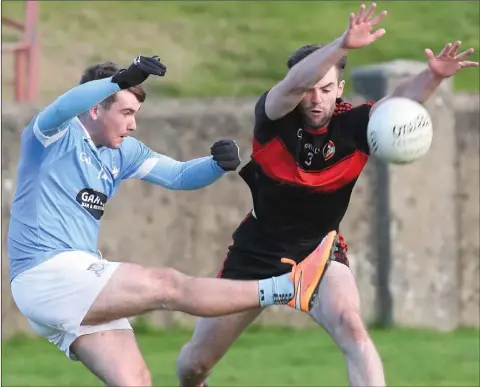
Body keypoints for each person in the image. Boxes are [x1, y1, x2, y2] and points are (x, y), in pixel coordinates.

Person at [175, 3, 479, 387]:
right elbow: (293, 85)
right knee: (193, 366)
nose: (316, 99)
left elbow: (400, 102)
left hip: (319, 253)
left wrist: (432, 76)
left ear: (339, 88)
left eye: (326, 89)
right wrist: (342, 44)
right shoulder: (274, 117)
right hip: (255, 254)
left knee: (354, 330)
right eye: (309, 89)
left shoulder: (356, 126)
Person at [7, 55, 336, 386]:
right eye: (126, 113)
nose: (133, 124)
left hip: (72, 285)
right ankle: (287, 287)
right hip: (47, 273)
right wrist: (120, 79)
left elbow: (178, 175)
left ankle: (288, 288)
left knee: (136, 381)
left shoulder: (123, 152)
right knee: (168, 286)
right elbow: (66, 105)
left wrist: (216, 165)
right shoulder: (50, 136)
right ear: (95, 108)